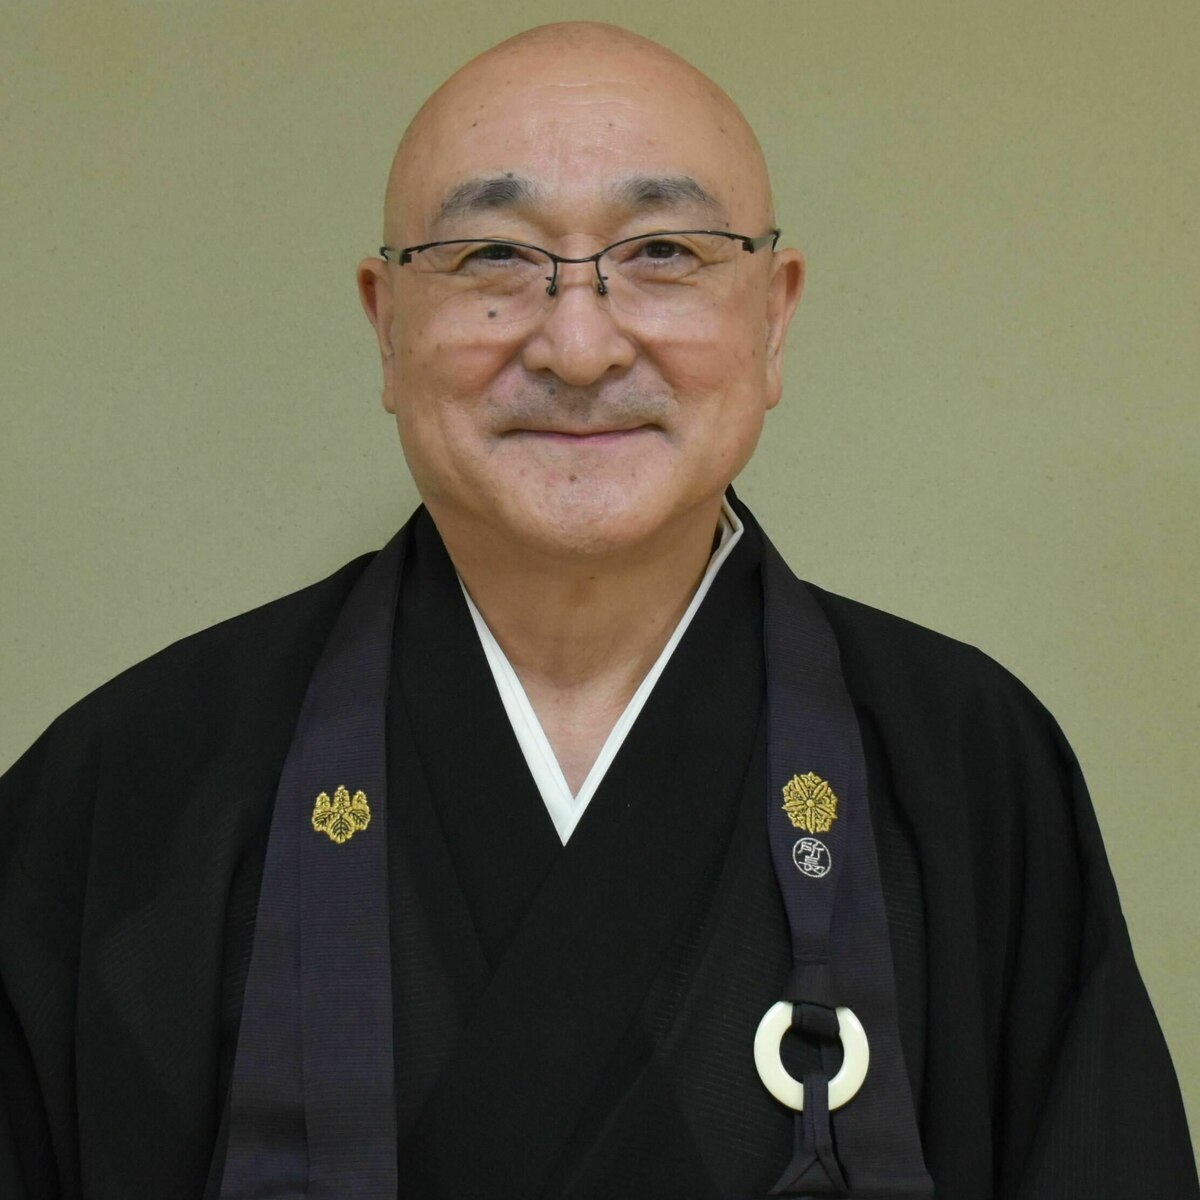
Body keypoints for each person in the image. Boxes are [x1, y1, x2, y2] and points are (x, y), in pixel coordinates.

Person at [1, 21, 1194, 1200]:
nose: (578, 347)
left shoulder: (970, 771)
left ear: (773, 318)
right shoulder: (128, 792)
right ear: (387, 323)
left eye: (666, 251)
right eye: (492, 256)